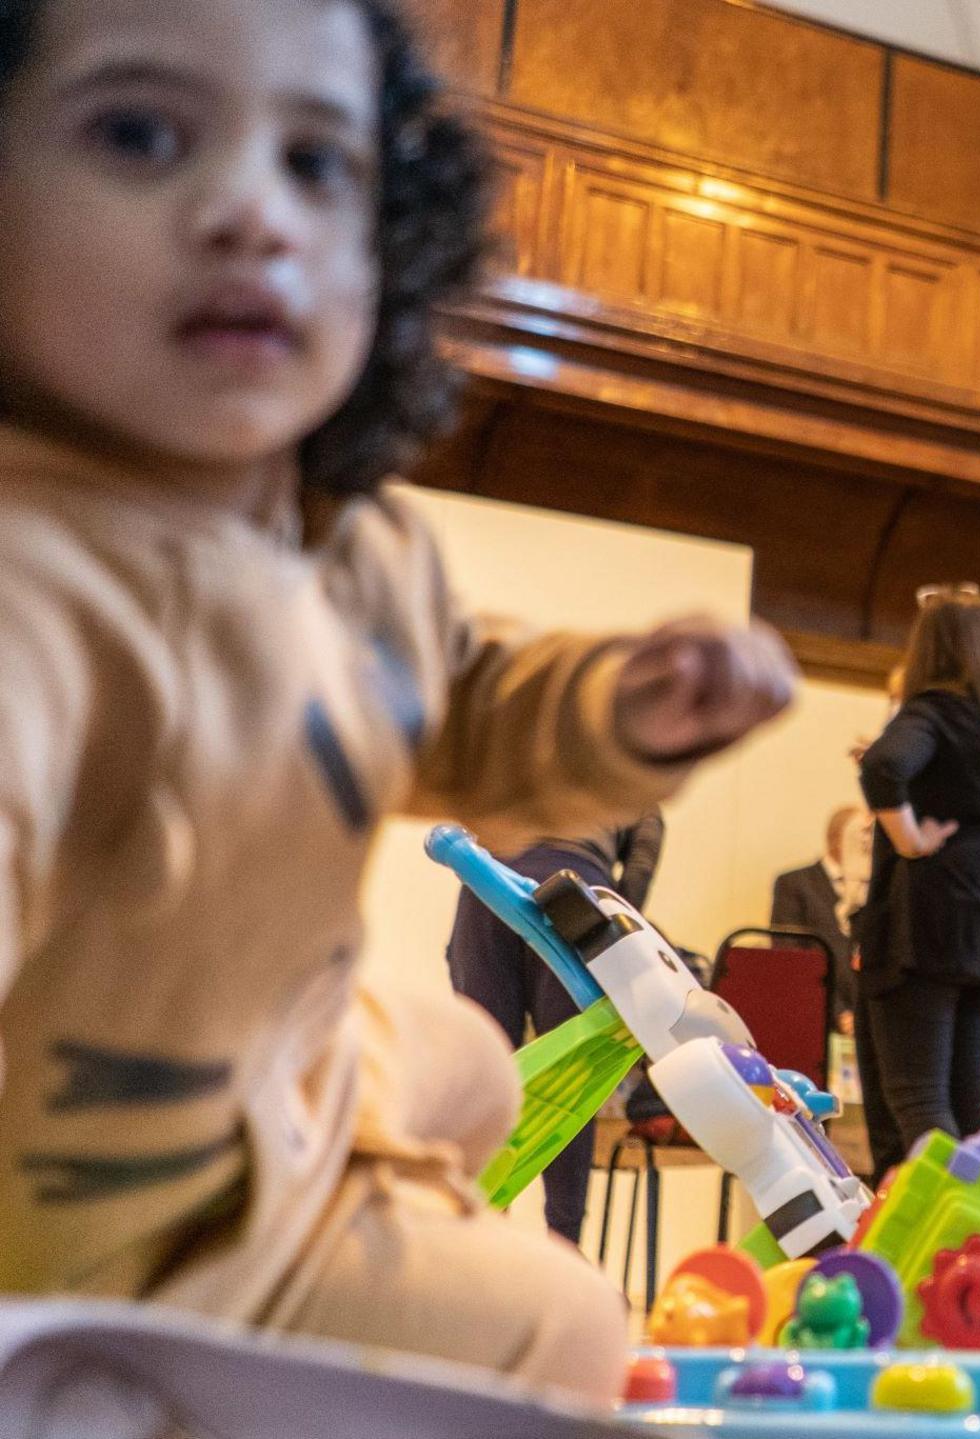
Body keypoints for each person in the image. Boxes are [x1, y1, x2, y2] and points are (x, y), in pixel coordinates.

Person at [0, 0, 796, 1403]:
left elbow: (473, 703)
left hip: (288, 1062)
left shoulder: (357, 541)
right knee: (566, 1329)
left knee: (476, 1062)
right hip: (142, 1209)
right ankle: (185, 1368)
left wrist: (624, 702)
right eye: (140, 134)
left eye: (318, 164)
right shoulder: (38, 578)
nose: (254, 211)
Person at [856, 585, 980, 1151]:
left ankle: (950, 1232)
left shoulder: (932, 709)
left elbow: (883, 767)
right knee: (972, 1100)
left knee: (918, 1099)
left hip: (922, 930)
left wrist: (909, 840)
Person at [447, 811, 662, 1244]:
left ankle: (475, 1235)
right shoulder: (630, 768)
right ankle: (564, 1243)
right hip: (575, 891)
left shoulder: (525, 742)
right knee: (574, 1079)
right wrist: (607, 925)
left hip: (489, 878)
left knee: (485, 1069)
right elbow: (642, 859)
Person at [771, 803, 901, 1183]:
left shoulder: (879, 889)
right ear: (835, 839)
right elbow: (792, 959)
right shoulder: (795, 886)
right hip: (817, 1030)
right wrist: (839, 1011)